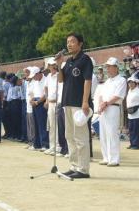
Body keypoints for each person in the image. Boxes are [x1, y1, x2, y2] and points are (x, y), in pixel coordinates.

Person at [57, 33, 93, 179]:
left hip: (79, 104)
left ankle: (83, 169)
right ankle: (74, 166)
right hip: (67, 103)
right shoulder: (68, 61)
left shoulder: (85, 60)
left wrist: (85, 101)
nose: (69, 44)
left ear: (80, 44)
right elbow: (61, 80)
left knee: (80, 137)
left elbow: (87, 81)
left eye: (72, 41)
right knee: (69, 136)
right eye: (67, 42)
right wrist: (59, 65)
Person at [98, 57, 127, 166]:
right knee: (103, 134)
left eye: (110, 66)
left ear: (116, 67)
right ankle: (106, 157)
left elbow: (117, 96)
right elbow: (101, 95)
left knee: (112, 133)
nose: (108, 69)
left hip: (113, 108)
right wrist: (101, 104)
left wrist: (105, 103)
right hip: (104, 108)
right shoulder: (107, 81)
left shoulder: (122, 80)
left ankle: (114, 159)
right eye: (107, 67)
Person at [30, 67, 48, 151]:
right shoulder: (35, 81)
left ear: (38, 73)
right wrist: (32, 99)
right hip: (35, 102)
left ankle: (44, 144)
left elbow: (45, 94)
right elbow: (32, 92)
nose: (33, 78)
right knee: (36, 124)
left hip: (41, 102)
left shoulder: (45, 79)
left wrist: (37, 102)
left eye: (34, 76)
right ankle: (36, 144)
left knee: (42, 124)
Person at [44, 57, 59, 155]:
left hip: (57, 103)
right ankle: (52, 146)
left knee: (57, 126)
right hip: (50, 103)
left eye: (52, 64)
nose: (51, 66)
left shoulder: (59, 75)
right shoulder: (48, 76)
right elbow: (46, 87)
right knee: (51, 126)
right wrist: (46, 99)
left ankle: (57, 147)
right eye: (49, 65)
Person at [126, 77, 139, 150]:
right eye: (129, 83)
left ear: (135, 83)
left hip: (137, 112)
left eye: (132, 82)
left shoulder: (138, 91)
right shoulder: (129, 91)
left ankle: (137, 145)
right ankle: (132, 143)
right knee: (131, 129)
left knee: (136, 129)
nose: (130, 84)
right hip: (130, 112)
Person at [8, 75, 22, 141]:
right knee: (18, 120)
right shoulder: (18, 87)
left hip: (11, 103)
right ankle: (18, 135)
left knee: (13, 120)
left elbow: (9, 97)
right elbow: (20, 96)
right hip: (17, 103)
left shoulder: (11, 87)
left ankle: (14, 135)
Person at [2, 73, 12, 139]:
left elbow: (5, 94)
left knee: (5, 118)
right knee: (8, 118)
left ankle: (7, 133)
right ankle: (8, 133)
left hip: (5, 101)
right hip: (8, 101)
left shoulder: (5, 84)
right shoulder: (10, 84)